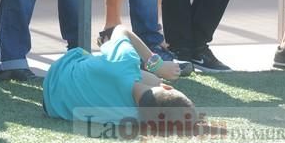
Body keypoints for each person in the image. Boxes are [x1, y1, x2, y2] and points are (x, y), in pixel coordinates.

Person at [43, 25, 191, 131]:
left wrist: (157, 65)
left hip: (60, 69)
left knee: (148, 78)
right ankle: (109, 46)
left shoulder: (125, 60)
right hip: (52, 105)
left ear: (167, 86)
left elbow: (122, 29)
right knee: (147, 79)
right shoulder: (130, 119)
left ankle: (108, 43)